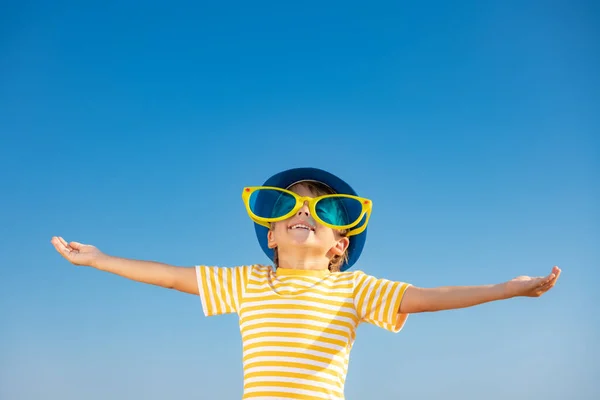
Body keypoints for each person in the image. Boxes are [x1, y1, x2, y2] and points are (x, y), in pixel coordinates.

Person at [50, 167, 561, 400]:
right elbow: (170, 277)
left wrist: (506, 288)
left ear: (340, 244)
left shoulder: (353, 289)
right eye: (288, 205)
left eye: (324, 208)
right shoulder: (249, 281)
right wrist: (101, 260)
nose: (304, 211)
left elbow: (425, 298)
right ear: (272, 236)